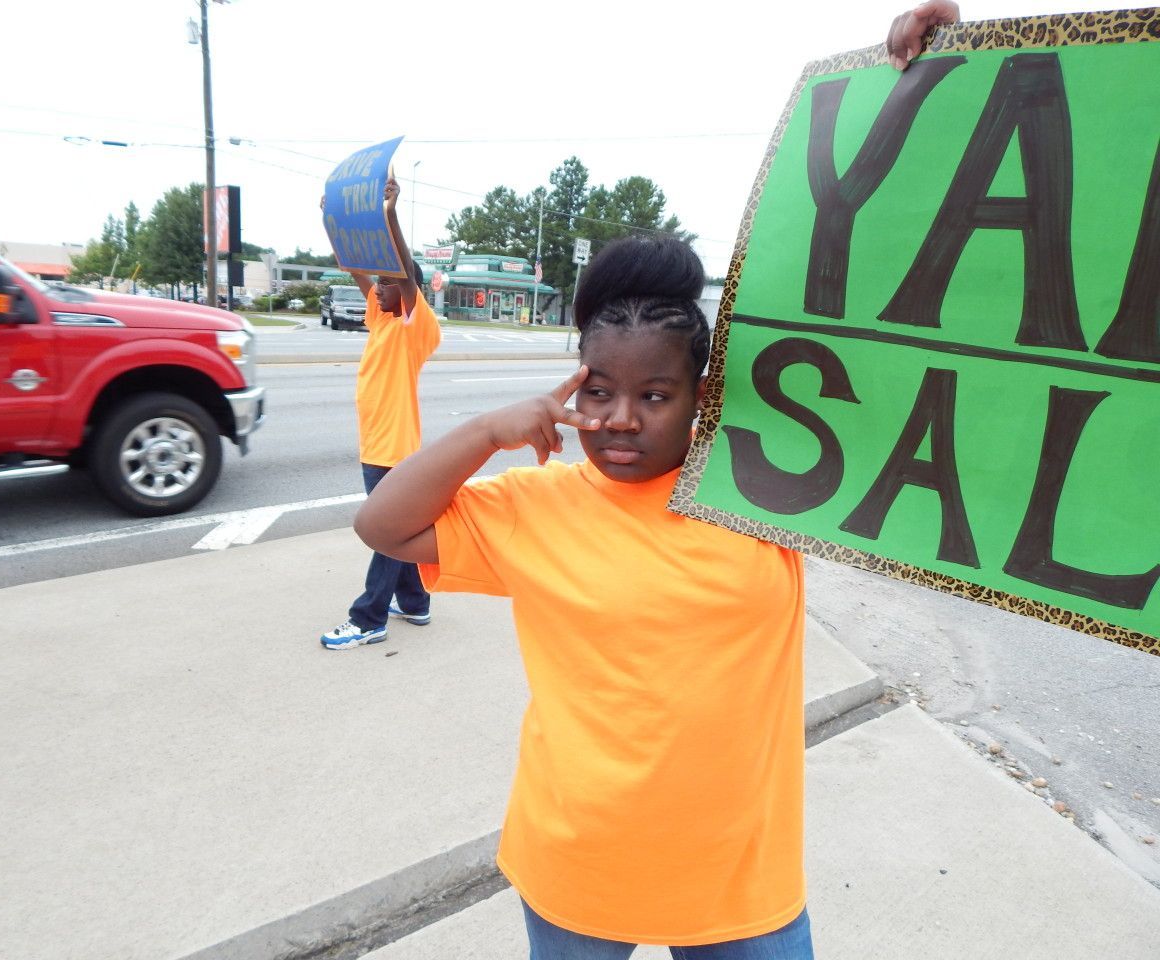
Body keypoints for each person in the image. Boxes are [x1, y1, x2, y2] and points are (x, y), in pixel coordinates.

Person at [354, 6, 958, 954]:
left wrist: (928, 85)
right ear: (573, 385)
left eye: (658, 393)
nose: (623, 418)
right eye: (600, 390)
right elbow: (382, 527)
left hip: (741, 883)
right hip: (575, 868)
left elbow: (906, 308)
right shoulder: (534, 505)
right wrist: (482, 431)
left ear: (703, 396)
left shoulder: (771, 487)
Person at [321, 174, 442, 651]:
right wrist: (332, 219)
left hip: (393, 450)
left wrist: (390, 215)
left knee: (387, 534)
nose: (378, 290)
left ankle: (368, 617)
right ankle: (414, 602)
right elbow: (354, 266)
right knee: (399, 528)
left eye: (387, 285)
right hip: (377, 445)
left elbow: (406, 273)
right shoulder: (381, 319)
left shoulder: (416, 328)